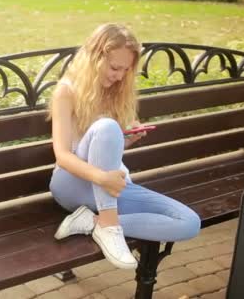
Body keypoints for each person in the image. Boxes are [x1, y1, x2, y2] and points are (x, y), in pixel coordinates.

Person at [48, 23, 201, 270]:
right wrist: (103, 177)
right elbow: (63, 156)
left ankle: (93, 222)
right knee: (108, 127)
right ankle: (108, 226)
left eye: (125, 70)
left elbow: (106, 155)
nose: (119, 76)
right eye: (114, 67)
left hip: (109, 188)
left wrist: (126, 140)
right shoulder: (67, 92)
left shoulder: (115, 93)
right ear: (94, 57)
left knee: (189, 222)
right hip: (72, 184)